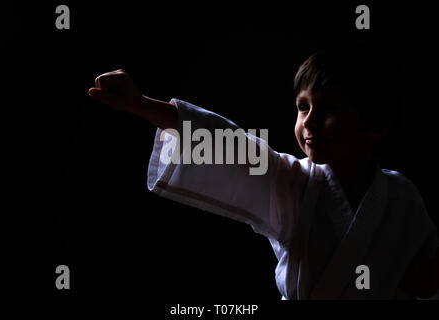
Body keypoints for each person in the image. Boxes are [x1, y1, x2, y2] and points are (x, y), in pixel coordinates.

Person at [87, 44, 439, 299]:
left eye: (328, 108)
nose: (309, 122)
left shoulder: (401, 195)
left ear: (375, 124)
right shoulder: (292, 183)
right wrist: (142, 105)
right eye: (303, 107)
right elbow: (231, 145)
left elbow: (424, 281)